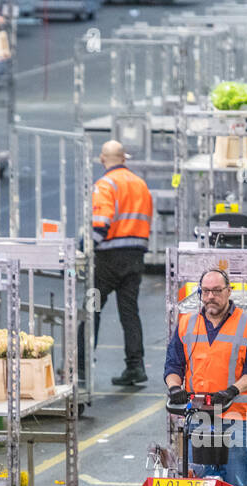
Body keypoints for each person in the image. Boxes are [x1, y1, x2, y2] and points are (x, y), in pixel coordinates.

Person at [164, 267, 247, 486]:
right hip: (198, 417)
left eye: (217, 291)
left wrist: (232, 391)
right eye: (206, 291)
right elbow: (173, 364)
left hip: (235, 417)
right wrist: (174, 388)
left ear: (229, 291)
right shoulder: (186, 323)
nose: (211, 296)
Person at [89, 140, 153, 388]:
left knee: (90, 306)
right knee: (129, 311)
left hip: (106, 262)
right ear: (123, 158)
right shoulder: (140, 184)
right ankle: (135, 366)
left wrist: (86, 249)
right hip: (134, 258)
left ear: (102, 159)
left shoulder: (104, 185)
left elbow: (100, 222)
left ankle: (81, 366)